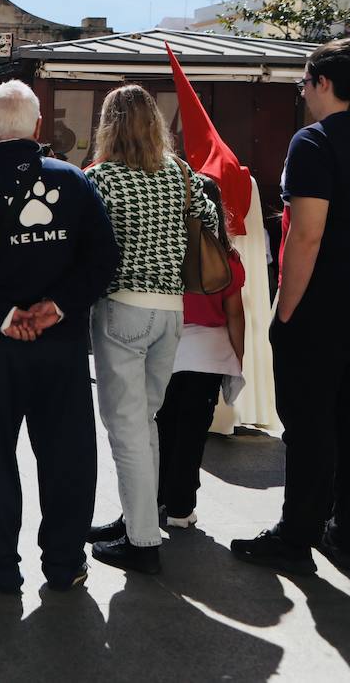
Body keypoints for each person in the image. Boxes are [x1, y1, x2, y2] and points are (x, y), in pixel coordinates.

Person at [233, 39, 350, 574]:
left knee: (309, 419)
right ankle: (347, 531)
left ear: (322, 82)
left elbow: (306, 236)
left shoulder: (313, 141)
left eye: (303, 82)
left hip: (325, 294)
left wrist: (285, 308)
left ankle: (296, 538)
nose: (302, 92)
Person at [0, 79, 119, 594]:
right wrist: (56, 307)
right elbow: (102, 256)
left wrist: (3, 314)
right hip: (60, 346)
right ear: (38, 126)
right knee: (67, 453)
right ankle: (65, 561)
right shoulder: (73, 181)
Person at [84, 84, 218, 576]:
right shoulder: (180, 172)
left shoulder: (101, 178)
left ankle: (141, 541)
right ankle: (138, 519)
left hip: (123, 308)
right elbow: (210, 220)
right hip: (171, 311)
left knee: (126, 428)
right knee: (146, 422)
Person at [158, 176, 246, 530]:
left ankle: (156, 498)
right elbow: (235, 314)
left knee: (163, 429)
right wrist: (238, 358)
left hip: (168, 350)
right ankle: (181, 508)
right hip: (210, 356)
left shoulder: (168, 251)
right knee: (192, 435)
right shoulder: (228, 258)